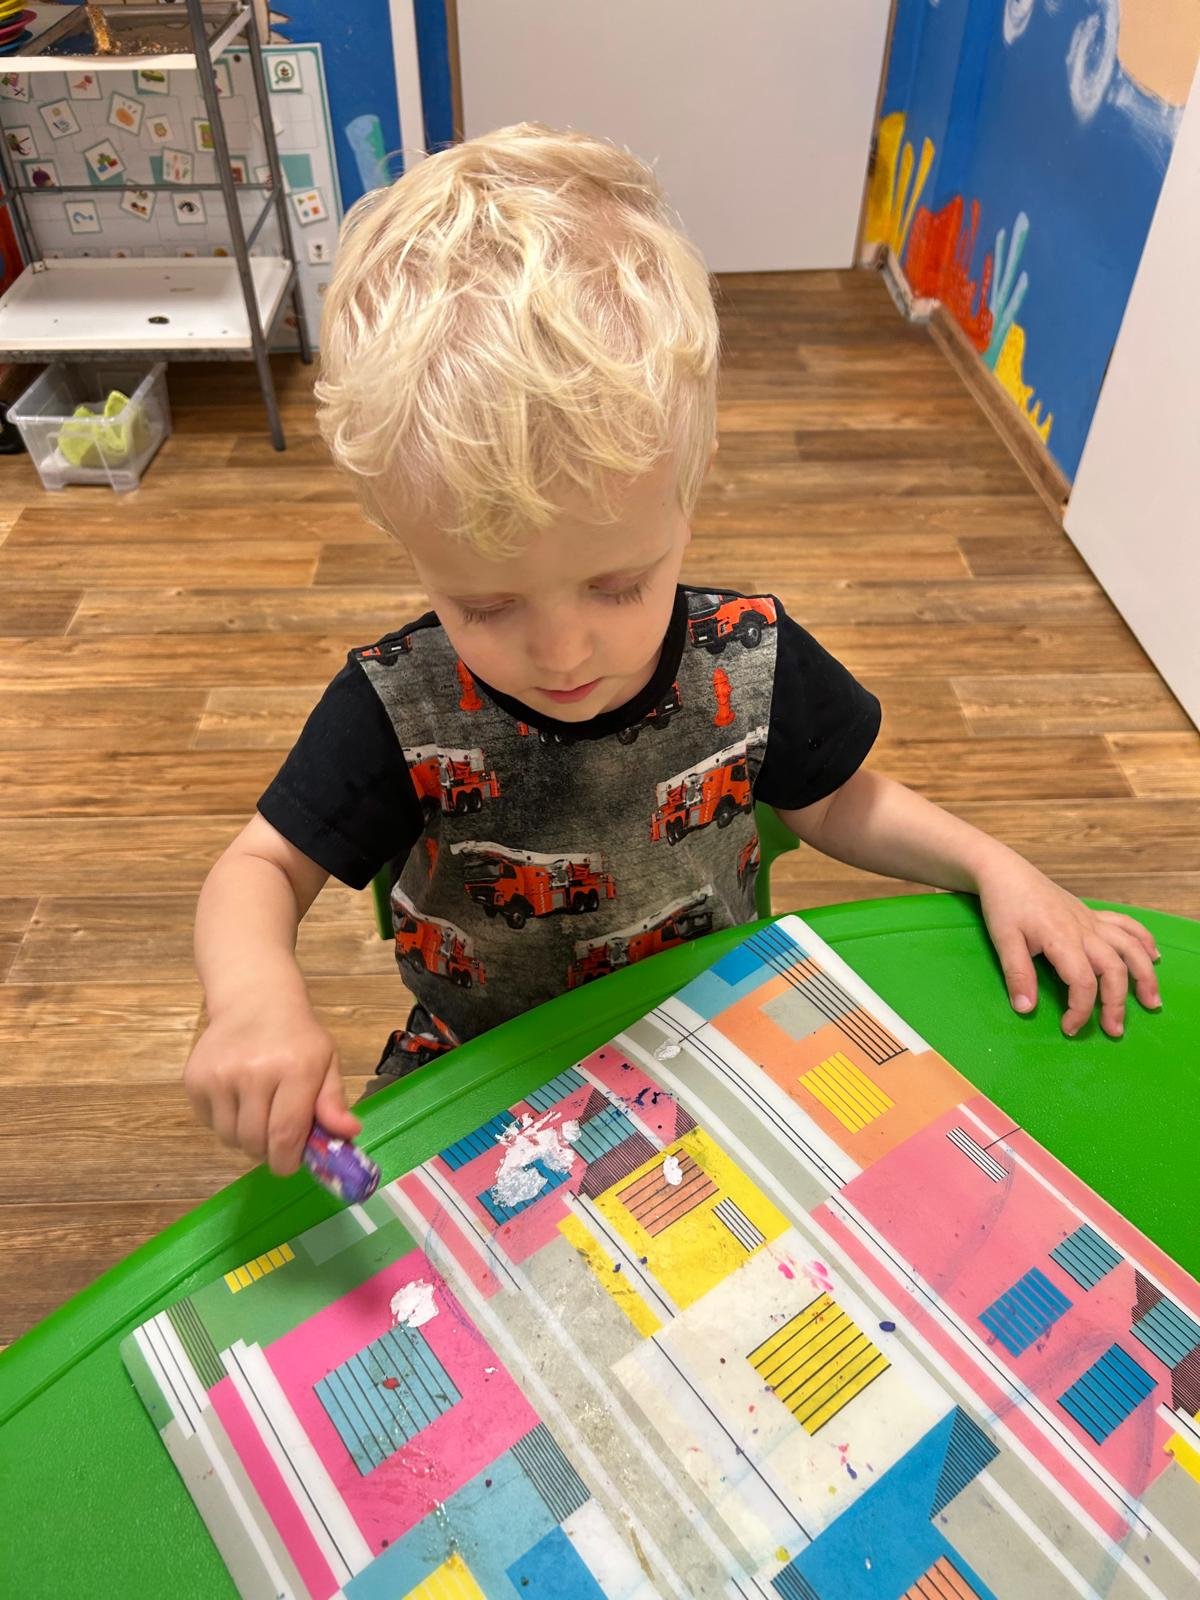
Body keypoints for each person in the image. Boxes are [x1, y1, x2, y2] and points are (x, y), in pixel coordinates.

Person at [184, 122, 1161, 1178]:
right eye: (485, 604)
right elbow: (260, 866)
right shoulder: (397, 704)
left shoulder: (748, 658)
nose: (563, 650)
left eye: (617, 585)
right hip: (478, 1071)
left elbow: (837, 801)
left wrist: (993, 864)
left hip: (709, 1040)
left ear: (688, 502)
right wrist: (250, 997)